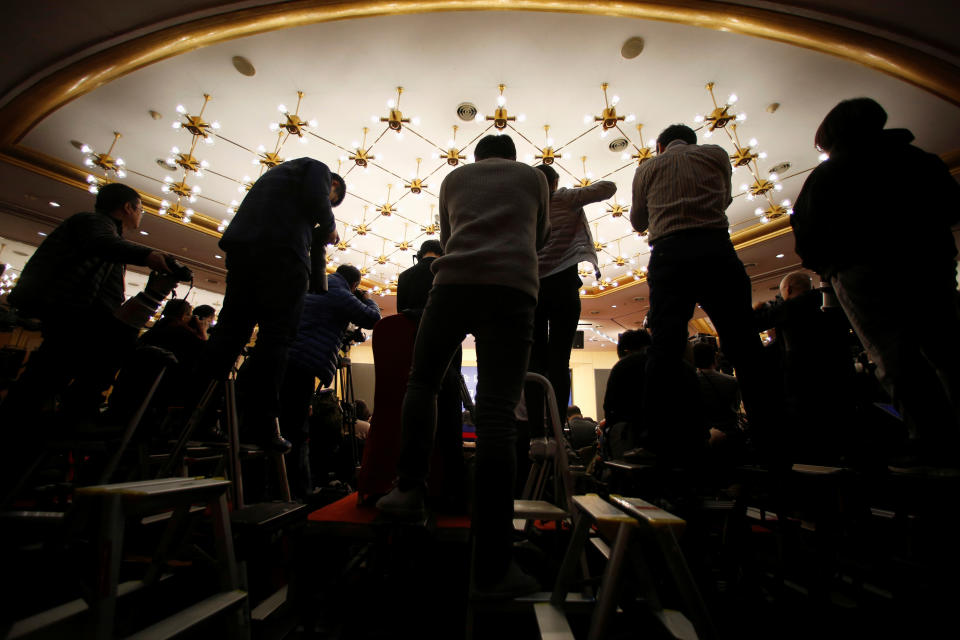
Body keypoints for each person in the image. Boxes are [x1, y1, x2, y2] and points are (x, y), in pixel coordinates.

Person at [377, 134, 550, 598]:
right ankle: (495, 564)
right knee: (495, 414)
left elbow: (449, 237)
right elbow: (541, 237)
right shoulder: (534, 177)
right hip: (513, 289)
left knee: (424, 382)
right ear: (512, 155)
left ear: (476, 157)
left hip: (453, 285)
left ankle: (409, 489)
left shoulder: (454, 178)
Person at [791, 97, 960, 464]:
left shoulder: (828, 176)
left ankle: (931, 439)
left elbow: (806, 234)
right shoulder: (919, 160)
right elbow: (952, 205)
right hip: (928, 260)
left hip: (862, 273)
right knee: (946, 347)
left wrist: (829, 267)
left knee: (894, 356)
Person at [631, 124, 775, 462]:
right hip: (716, 250)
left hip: (669, 254)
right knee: (744, 345)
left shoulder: (647, 168)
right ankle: (769, 438)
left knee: (664, 349)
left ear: (659, 146)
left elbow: (638, 221)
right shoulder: (717, 154)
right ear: (692, 140)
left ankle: (655, 441)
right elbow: (724, 199)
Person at [194, 157, 345, 453]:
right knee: (277, 339)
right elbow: (318, 198)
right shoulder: (317, 169)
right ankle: (262, 424)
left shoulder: (281, 184)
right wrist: (329, 226)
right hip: (284, 256)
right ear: (334, 185)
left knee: (230, 334)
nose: (330, 201)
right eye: (334, 198)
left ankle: (198, 414)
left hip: (245, 250)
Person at [3, 183, 170, 425]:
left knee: (52, 374)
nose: (140, 215)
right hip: (70, 313)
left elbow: (109, 291)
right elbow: (102, 244)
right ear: (127, 207)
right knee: (47, 375)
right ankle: (18, 428)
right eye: (140, 209)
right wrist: (148, 256)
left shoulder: (110, 236)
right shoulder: (93, 223)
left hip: (79, 316)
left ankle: (33, 425)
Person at [526, 164, 615, 436]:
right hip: (563, 287)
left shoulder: (527, 206)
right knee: (559, 360)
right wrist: (569, 193)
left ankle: (534, 430)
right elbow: (608, 188)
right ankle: (556, 428)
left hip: (534, 288)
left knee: (535, 361)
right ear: (554, 182)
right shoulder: (564, 197)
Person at [278, 264, 380, 496]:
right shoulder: (339, 292)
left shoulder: (315, 284)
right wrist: (367, 298)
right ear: (353, 284)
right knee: (297, 429)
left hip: (285, 355)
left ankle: (279, 485)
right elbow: (373, 318)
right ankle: (299, 492)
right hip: (302, 362)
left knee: (285, 423)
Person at [396, 239, 466, 508]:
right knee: (450, 423)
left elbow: (403, 321)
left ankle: (410, 487)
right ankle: (453, 492)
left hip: (415, 358)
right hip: (448, 357)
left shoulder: (405, 277)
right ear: (441, 252)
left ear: (418, 253)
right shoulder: (448, 272)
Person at [396, 239, 442, 313]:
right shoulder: (446, 273)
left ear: (420, 254)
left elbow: (400, 311)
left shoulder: (403, 276)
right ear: (442, 253)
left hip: (410, 323)